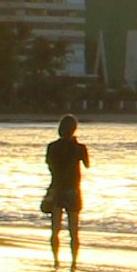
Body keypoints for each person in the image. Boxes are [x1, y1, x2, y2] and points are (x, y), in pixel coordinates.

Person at [41, 112, 90, 263]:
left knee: (55, 229)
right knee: (73, 231)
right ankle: (73, 262)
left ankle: (56, 260)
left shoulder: (52, 147)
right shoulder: (80, 148)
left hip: (57, 189)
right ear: (74, 129)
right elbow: (87, 165)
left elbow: (50, 166)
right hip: (73, 190)